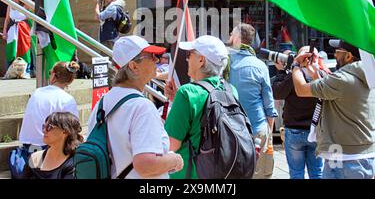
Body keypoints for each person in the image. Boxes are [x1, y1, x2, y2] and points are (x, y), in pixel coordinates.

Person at [87, 35, 183, 179]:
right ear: (133, 66)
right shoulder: (141, 106)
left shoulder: (103, 103)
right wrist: (174, 160)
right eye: (151, 56)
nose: (156, 60)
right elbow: (145, 164)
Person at [292, 39, 375, 179]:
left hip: (344, 158)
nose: (335, 55)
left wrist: (295, 64)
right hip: (360, 154)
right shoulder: (368, 76)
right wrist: (315, 73)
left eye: (337, 52)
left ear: (348, 56)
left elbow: (301, 89)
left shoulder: (343, 79)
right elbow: (332, 93)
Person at [164, 35, 238, 179]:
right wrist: (176, 99)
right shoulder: (231, 90)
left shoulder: (187, 93)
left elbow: (171, 144)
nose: (186, 59)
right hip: (222, 172)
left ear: (201, 60)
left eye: (189, 54)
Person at [227, 23, 278, 179]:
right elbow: (269, 105)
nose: (229, 36)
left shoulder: (225, 62)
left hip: (231, 131)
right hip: (258, 129)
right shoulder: (260, 66)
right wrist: (268, 136)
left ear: (236, 38)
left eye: (231, 34)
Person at [272, 46, 326, 179]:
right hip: (315, 131)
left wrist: (288, 70)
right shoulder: (322, 77)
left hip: (294, 130)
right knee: (317, 173)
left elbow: (277, 92)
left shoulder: (293, 76)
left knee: (296, 174)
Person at [19, 61, 79, 153]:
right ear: (70, 80)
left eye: (50, 73)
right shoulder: (68, 99)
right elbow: (74, 129)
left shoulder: (37, 92)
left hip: (28, 144)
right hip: (48, 147)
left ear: (54, 75)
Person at [23, 112, 83, 179]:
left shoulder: (73, 163)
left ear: (65, 131)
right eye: (44, 126)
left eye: (49, 127)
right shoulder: (35, 158)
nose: (44, 131)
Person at [2, 0, 33, 78]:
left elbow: (34, 11)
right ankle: (10, 72)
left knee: (25, 50)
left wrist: (27, 1)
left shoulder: (26, 5)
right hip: (12, 30)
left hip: (24, 29)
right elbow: (7, 20)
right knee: (11, 50)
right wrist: (4, 31)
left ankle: (26, 71)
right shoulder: (10, 5)